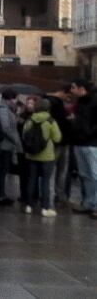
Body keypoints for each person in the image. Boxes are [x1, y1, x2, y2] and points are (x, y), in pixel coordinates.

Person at [21, 98, 61, 217]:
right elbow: (57, 138)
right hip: (47, 156)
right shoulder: (50, 121)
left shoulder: (30, 120)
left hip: (31, 156)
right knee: (45, 182)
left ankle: (29, 205)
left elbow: (24, 135)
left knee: (31, 180)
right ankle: (45, 207)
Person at [69, 79, 97, 217]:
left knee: (94, 174)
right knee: (85, 175)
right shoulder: (80, 103)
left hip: (91, 143)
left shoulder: (94, 101)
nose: (71, 90)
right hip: (79, 142)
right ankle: (89, 203)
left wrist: (89, 133)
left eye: (73, 87)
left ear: (82, 88)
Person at [0, 89, 22, 206]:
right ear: (10, 99)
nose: (16, 101)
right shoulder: (3, 110)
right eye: (15, 99)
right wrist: (15, 139)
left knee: (2, 171)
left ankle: (0, 194)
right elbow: (5, 127)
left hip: (5, 145)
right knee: (1, 172)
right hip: (4, 146)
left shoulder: (6, 109)